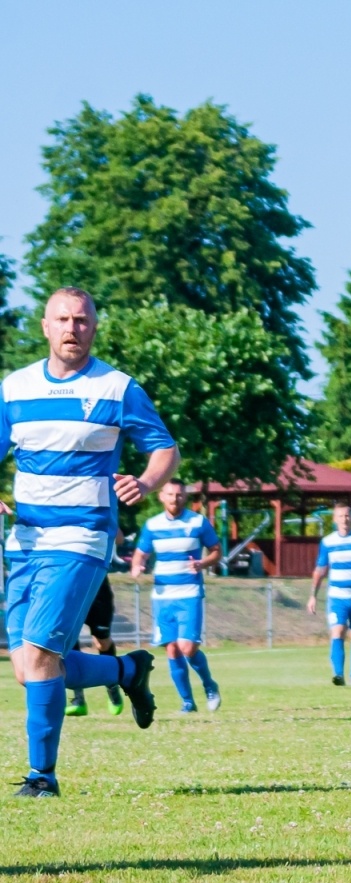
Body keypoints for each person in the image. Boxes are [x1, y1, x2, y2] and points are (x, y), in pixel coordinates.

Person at [0, 287, 170, 796]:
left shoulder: (118, 388)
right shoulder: (14, 388)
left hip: (83, 536)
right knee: (29, 670)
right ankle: (126, 669)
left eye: (82, 320)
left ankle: (41, 777)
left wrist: (145, 482)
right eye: (62, 319)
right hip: (25, 541)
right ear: (46, 327)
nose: (72, 328)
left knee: (39, 652)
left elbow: (164, 449)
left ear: (94, 327)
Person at [131, 482, 223, 713]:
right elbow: (140, 554)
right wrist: (137, 566)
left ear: (185, 497)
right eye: (170, 494)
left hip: (189, 593)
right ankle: (187, 702)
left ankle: (210, 685)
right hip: (162, 596)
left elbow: (216, 551)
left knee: (188, 648)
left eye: (179, 495)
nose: (175, 499)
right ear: (161, 496)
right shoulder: (152, 525)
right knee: (171, 649)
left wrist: (202, 563)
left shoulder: (198, 522)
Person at [307, 503, 351, 686]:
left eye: (348, 516)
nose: (345, 519)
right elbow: (320, 569)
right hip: (337, 597)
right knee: (338, 631)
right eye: (341, 516)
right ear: (334, 519)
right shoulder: (327, 542)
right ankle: (338, 675)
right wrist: (313, 595)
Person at [66, 576, 124, 716]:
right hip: (68, 588)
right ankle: (78, 699)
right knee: (69, 639)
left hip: (96, 587)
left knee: (102, 642)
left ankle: (112, 686)